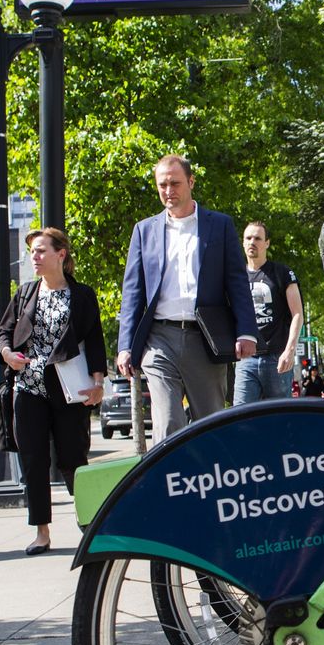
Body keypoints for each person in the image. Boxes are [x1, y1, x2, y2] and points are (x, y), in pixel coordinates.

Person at [115, 154, 256, 439]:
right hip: (159, 339)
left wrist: (246, 332)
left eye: (175, 183)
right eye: (162, 185)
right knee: (168, 424)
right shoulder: (144, 231)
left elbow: (237, 282)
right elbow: (132, 291)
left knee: (211, 425)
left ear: (191, 181)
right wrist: (125, 345)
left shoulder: (219, 225)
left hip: (205, 339)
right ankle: (168, 483)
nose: (169, 191)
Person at [0, 228, 107, 555]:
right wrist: (6, 354)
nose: (35, 256)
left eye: (41, 250)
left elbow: (96, 340)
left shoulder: (82, 294)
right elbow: (4, 333)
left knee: (74, 459)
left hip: (68, 389)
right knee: (34, 461)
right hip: (28, 388)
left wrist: (98, 384)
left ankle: (91, 524)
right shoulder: (26, 293)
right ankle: (42, 532)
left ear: (61, 254)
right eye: (32, 251)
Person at [232, 221, 303, 404]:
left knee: (278, 418)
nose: (252, 242)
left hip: (277, 358)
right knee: (239, 417)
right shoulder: (235, 276)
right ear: (242, 242)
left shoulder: (282, 273)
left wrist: (289, 351)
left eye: (257, 238)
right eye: (248, 238)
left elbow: (297, 314)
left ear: (267, 243)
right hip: (246, 359)